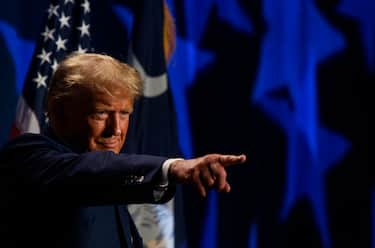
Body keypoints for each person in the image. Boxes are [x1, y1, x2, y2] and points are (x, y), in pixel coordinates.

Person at [0, 53, 246, 248]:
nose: (115, 129)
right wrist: (171, 167)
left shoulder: (111, 180)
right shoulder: (26, 156)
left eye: (125, 114)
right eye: (101, 113)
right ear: (59, 112)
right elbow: (87, 172)